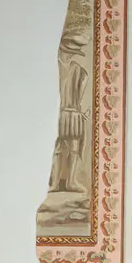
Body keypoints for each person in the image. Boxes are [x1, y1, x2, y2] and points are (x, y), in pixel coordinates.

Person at [48, 32, 90, 193]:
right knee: (65, 147)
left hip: (69, 112)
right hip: (68, 112)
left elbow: (83, 82)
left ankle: (64, 182)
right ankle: (60, 182)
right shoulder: (75, 70)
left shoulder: (75, 70)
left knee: (70, 147)